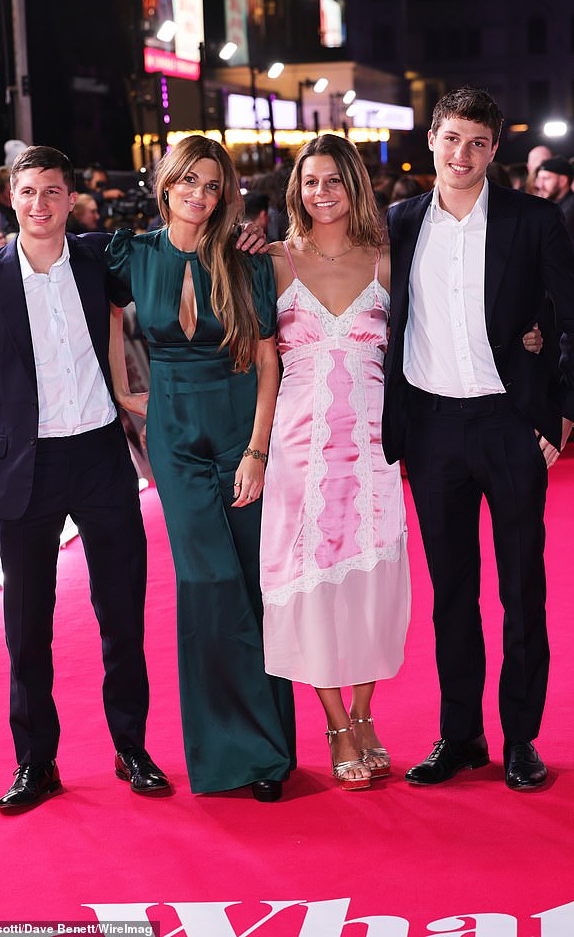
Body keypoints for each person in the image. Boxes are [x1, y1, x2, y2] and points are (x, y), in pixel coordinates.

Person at [0, 145, 169, 810]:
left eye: (53, 192)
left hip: (100, 456)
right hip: (24, 468)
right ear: (13, 197)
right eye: (29, 192)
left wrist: (242, 235)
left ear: (72, 199)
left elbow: (176, 252)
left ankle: (132, 746)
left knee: (121, 611)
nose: (40, 205)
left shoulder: (100, 258)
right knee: (26, 624)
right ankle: (36, 761)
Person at [382, 87, 574, 791]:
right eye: (452, 138)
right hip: (432, 430)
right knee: (452, 593)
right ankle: (460, 734)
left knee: (523, 589)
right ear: (431, 139)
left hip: (508, 424)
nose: (462, 155)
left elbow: (570, 314)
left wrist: (562, 416)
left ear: (495, 151)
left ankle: (521, 737)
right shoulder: (399, 223)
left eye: (478, 143)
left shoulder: (533, 220)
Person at [106, 135, 296, 802]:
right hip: (174, 434)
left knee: (249, 579)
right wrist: (121, 385)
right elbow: (97, 303)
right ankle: (231, 751)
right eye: (188, 181)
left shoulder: (245, 264)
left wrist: (258, 450)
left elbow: (271, 362)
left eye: (212, 186)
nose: (199, 194)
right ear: (166, 184)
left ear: (224, 196)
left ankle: (270, 754)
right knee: (207, 580)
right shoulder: (129, 253)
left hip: (239, 424)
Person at [260, 135, 410, 791]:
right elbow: (261, 360)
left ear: (356, 187)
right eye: (310, 181)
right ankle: (333, 722)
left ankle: (365, 710)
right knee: (310, 582)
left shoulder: (385, 260)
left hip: (374, 445)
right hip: (300, 447)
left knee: (373, 580)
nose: (320, 193)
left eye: (333, 181)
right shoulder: (273, 260)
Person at [534, 155, 574, 239]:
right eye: (539, 179)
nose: (539, 185)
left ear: (563, 181)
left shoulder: (569, 210)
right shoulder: (554, 206)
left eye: (546, 179)